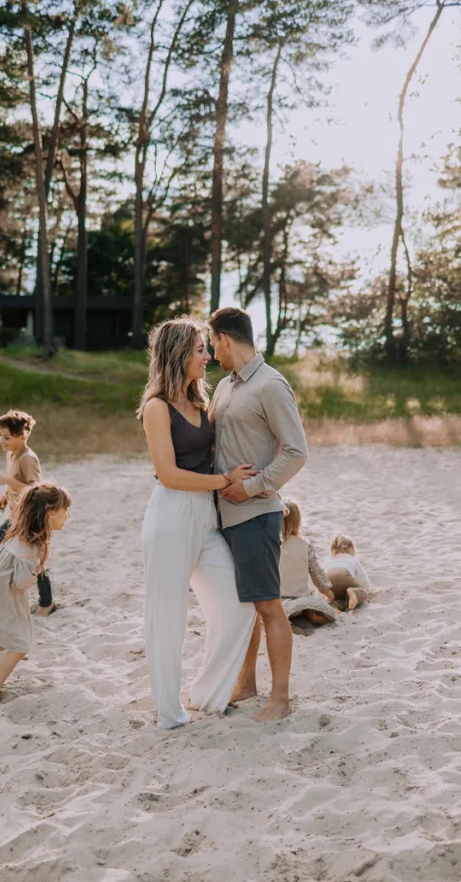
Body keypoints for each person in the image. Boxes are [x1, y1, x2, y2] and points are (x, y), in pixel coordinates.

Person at [138, 318, 258, 730]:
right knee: (167, 615)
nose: (208, 356)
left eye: (207, 349)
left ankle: (207, 694)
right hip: (171, 514)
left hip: (205, 516)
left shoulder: (201, 402)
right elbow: (169, 475)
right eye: (199, 350)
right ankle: (169, 712)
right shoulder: (156, 408)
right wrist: (225, 481)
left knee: (239, 605)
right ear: (178, 355)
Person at [209, 307, 308, 722]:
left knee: (268, 605)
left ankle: (281, 699)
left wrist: (250, 487)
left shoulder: (270, 385)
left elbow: (296, 451)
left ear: (226, 339)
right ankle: (246, 683)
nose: (213, 353)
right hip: (226, 518)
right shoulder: (224, 387)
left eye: (213, 344)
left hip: (257, 515)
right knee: (246, 604)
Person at [0, 483, 71, 708]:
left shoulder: (20, 532)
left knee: (10, 637)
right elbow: (21, 582)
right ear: (50, 514)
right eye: (65, 510)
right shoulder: (32, 547)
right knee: (19, 644)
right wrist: (35, 569)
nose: (68, 516)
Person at [0, 409, 57, 616]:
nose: (2, 441)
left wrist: (7, 481)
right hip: (15, 516)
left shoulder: (28, 458)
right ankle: (17, 598)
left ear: (23, 436)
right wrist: (5, 497)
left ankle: (46, 603)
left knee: (33, 560)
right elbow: (17, 481)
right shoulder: (11, 455)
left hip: (31, 517)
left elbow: (34, 490)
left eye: (7, 437)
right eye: (1, 436)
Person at [279, 501, 337, 626]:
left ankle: (290, 621)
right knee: (308, 603)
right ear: (298, 522)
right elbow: (317, 576)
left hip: (280, 600)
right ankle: (309, 613)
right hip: (301, 598)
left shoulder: (274, 546)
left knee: (279, 609)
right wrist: (329, 594)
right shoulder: (306, 547)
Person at [325, 534, 370, 610]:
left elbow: (320, 578)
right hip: (344, 576)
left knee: (330, 595)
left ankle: (329, 602)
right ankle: (353, 592)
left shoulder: (328, 561)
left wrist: (319, 595)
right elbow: (363, 579)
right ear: (351, 550)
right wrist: (365, 590)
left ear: (332, 551)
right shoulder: (352, 560)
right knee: (363, 592)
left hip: (328, 579)